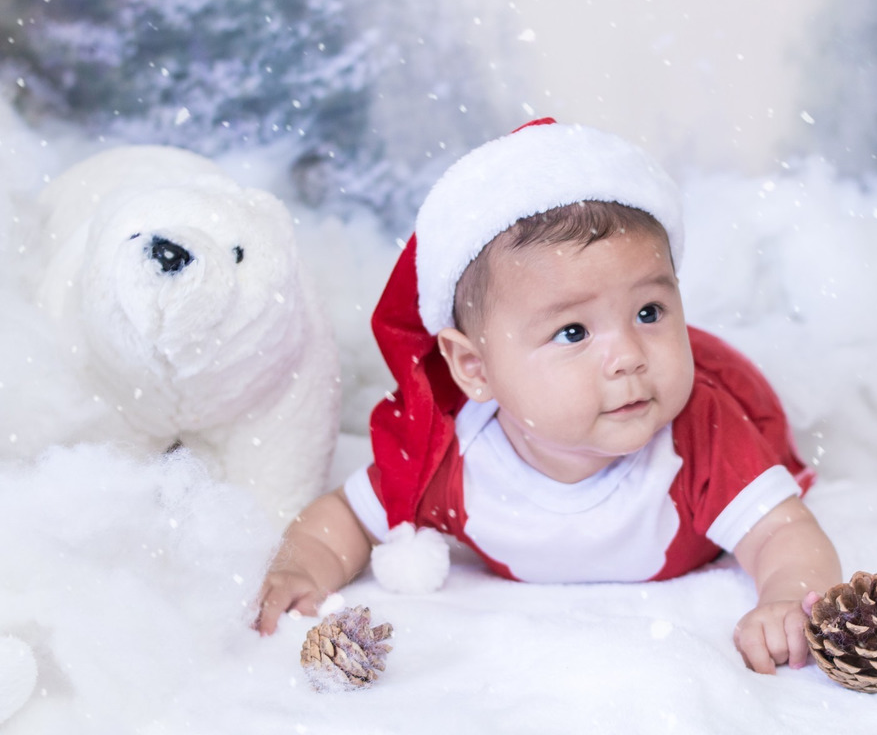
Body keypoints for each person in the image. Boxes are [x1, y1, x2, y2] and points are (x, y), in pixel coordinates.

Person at [255, 118, 842, 674]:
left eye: (649, 311)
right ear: (474, 367)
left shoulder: (698, 429)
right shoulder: (452, 454)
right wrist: (303, 564)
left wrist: (788, 596)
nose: (629, 355)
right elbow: (348, 516)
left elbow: (782, 532)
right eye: (573, 332)